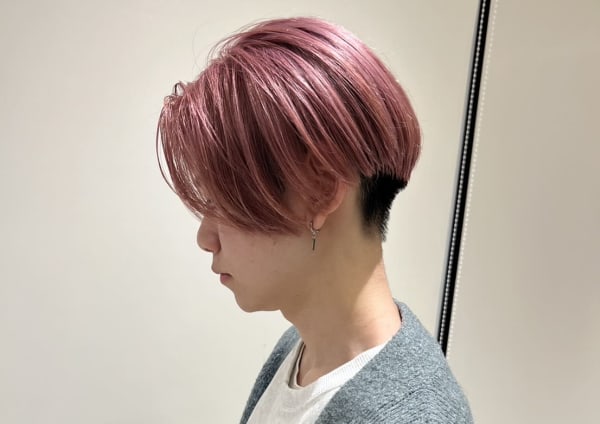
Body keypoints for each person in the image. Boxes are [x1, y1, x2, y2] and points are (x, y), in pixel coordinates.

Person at [157, 17, 472, 424]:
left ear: (320, 191)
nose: (206, 238)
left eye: (225, 202)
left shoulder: (411, 416)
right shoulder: (299, 352)